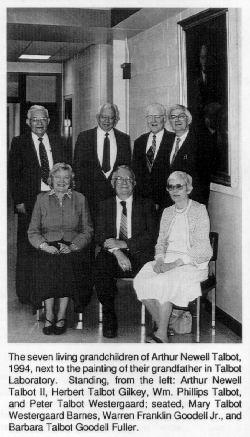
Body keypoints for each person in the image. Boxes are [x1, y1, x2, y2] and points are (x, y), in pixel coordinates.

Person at [134, 171, 212, 343]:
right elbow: (160, 242)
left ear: (188, 188)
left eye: (179, 186)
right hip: (167, 260)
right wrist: (160, 260)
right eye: (171, 187)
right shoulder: (167, 212)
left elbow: (203, 248)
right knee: (140, 279)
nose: (175, 190)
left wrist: (174, 264)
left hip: (191, 263)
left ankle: (161, 334)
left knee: (163, 283)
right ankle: (168, 324)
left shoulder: (199, 210)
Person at [8, 105, 71, 304]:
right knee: (27, 245)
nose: (39, 123)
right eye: (35, 120)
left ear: (48, 121)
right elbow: (13, 174)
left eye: (43, 119)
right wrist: (18, 201)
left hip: (55, 198)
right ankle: (26, 293)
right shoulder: (19, 143)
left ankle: (53, 289)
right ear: (28, 122)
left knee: (53, 241)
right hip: (30, 201)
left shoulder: (59, 141)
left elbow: (67, 170)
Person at [28, 163, 93, 335]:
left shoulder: (80, 198)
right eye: (58, 177)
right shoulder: (41, 199)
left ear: (71, 180)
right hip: (48, 244)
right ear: (51, 180)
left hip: (71, 245)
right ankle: (49, 314)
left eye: (66, 178)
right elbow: (33, 231)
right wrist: (44, 246)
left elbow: (87, 230)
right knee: (47, 262)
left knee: (67, 263)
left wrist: (73, 246)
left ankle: (62, 314)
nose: (62, 181)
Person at [94, 165, 157, 338]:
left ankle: (157, 320)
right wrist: (117, 251)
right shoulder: (103, 205)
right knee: (101, 267)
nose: (124, 183)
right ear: (112, 183)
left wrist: (125, 244)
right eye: (119, 179)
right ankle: (109, 316)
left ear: (134, 183)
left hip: (139, 253)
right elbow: (100, 236)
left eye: (128, 179)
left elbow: (151, 235)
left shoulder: (146, 204)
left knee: (151, 270)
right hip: (112, 254)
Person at [73, 103, 131, 223]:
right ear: (97, 117)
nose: (107, 120)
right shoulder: (84, 138)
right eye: (104, 117)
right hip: (89, 198)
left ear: (116, 119)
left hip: (114, 197)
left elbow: (127, 169)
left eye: (111, 117)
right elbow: (77, 169)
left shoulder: (124, 139)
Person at [132, 103, 175, 215]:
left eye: (157, 116)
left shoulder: (173, 140)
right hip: (143, 203)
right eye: (150, 117)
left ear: (164, 119)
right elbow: (136, 173)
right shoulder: (139, 142)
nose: (153, 120)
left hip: (166, 202)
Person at [167, 104, 212, 207]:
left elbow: (203, 180)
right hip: (171, 203)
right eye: (173, 117)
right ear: (170, 122)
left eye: (181, 116)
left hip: (191, 203)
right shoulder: (167, 142)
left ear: (188, 119)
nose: (177, 120)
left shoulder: (200, 143)